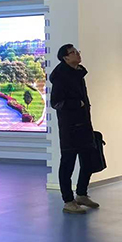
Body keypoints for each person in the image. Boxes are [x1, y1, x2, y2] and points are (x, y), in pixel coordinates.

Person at [50, 44, 99, 214]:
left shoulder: (78, 74)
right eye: (73, 53)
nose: (78, 54)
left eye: (78, 51)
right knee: (68, 163)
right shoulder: (60, 76)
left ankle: (81, 194)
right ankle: (68, 201)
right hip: (69, 128)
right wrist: (77, 104)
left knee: (88, 160)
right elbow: (56, 102)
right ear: (65, 58)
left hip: (84, 125)